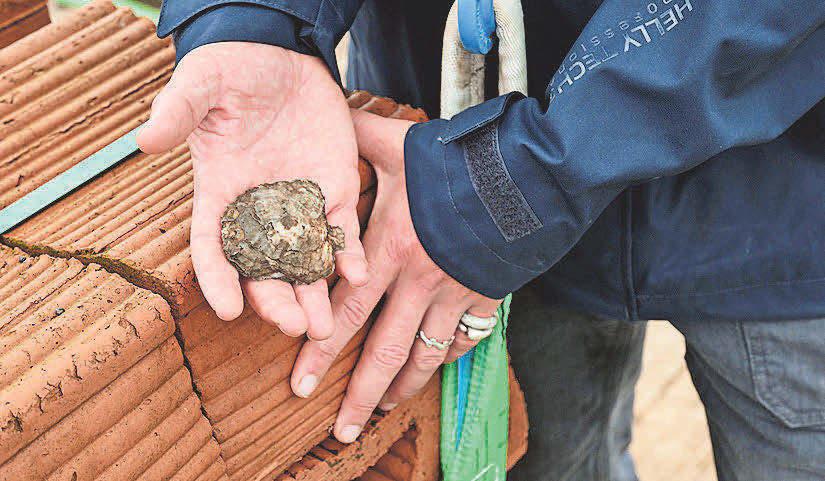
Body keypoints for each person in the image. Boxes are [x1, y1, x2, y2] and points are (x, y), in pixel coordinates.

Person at [137, 1, 825, 479]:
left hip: (778, 180)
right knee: (550, 454)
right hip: (450, 143)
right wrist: (255, 19)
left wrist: (518, 184)